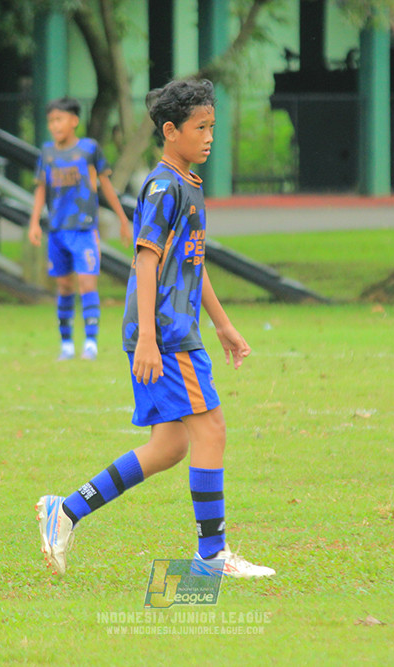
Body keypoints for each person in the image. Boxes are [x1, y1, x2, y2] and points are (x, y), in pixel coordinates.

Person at [35, 79, 275, 578]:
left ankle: (67, 509)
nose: (210, 136)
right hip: (165, 333)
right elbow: (146, 260)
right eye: (200, 127)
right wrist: (148, 334)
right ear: (171, 131)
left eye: (213, 126)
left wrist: (224, 325)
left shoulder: (188, 183)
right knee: (212, 428)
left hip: (176, 327)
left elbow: (192, 262)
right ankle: (211, 556)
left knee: (170, 446)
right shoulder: (165, 186)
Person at [28, 97, 132, 361]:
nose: (54, 125)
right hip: (57, 231)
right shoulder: (48, 154)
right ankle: (66, 345)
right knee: (64, 286)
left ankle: (91, 344)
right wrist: (34, 222)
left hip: (84, 230)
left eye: (59, 119)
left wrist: (122, 219)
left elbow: (106, 185)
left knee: (87, 282)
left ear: (74, 121)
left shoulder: (89, 149)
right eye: (51, 120)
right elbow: (41, 189)